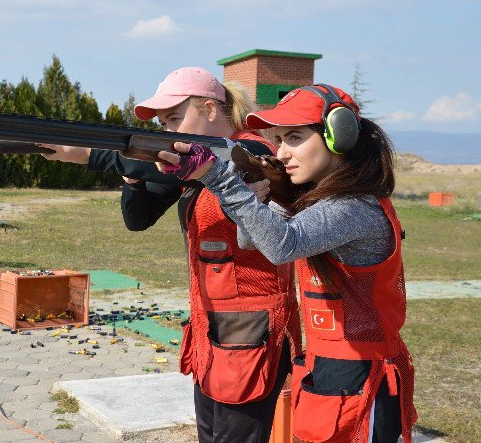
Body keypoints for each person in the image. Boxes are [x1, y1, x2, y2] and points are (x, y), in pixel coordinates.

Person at [42, 67, 302, 443]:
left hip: (252, 326)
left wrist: (85, 155)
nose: (169, 131)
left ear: (210, 109)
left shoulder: (254, 153)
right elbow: (138, 218)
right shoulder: (191, 168)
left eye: (175, 119)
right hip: (211, 325)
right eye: (164, 124)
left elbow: (216, 174)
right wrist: (132, 173)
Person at [157, 84, 417, 443]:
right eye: (277, 139)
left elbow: (282, 245)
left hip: (364, 374)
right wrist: (257, 200)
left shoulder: (355, 206)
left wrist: (219, 178)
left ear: (339, 136)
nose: (281, 153)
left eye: (294, 137)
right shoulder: (319, 202)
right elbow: (257, 244)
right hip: (330, 366)